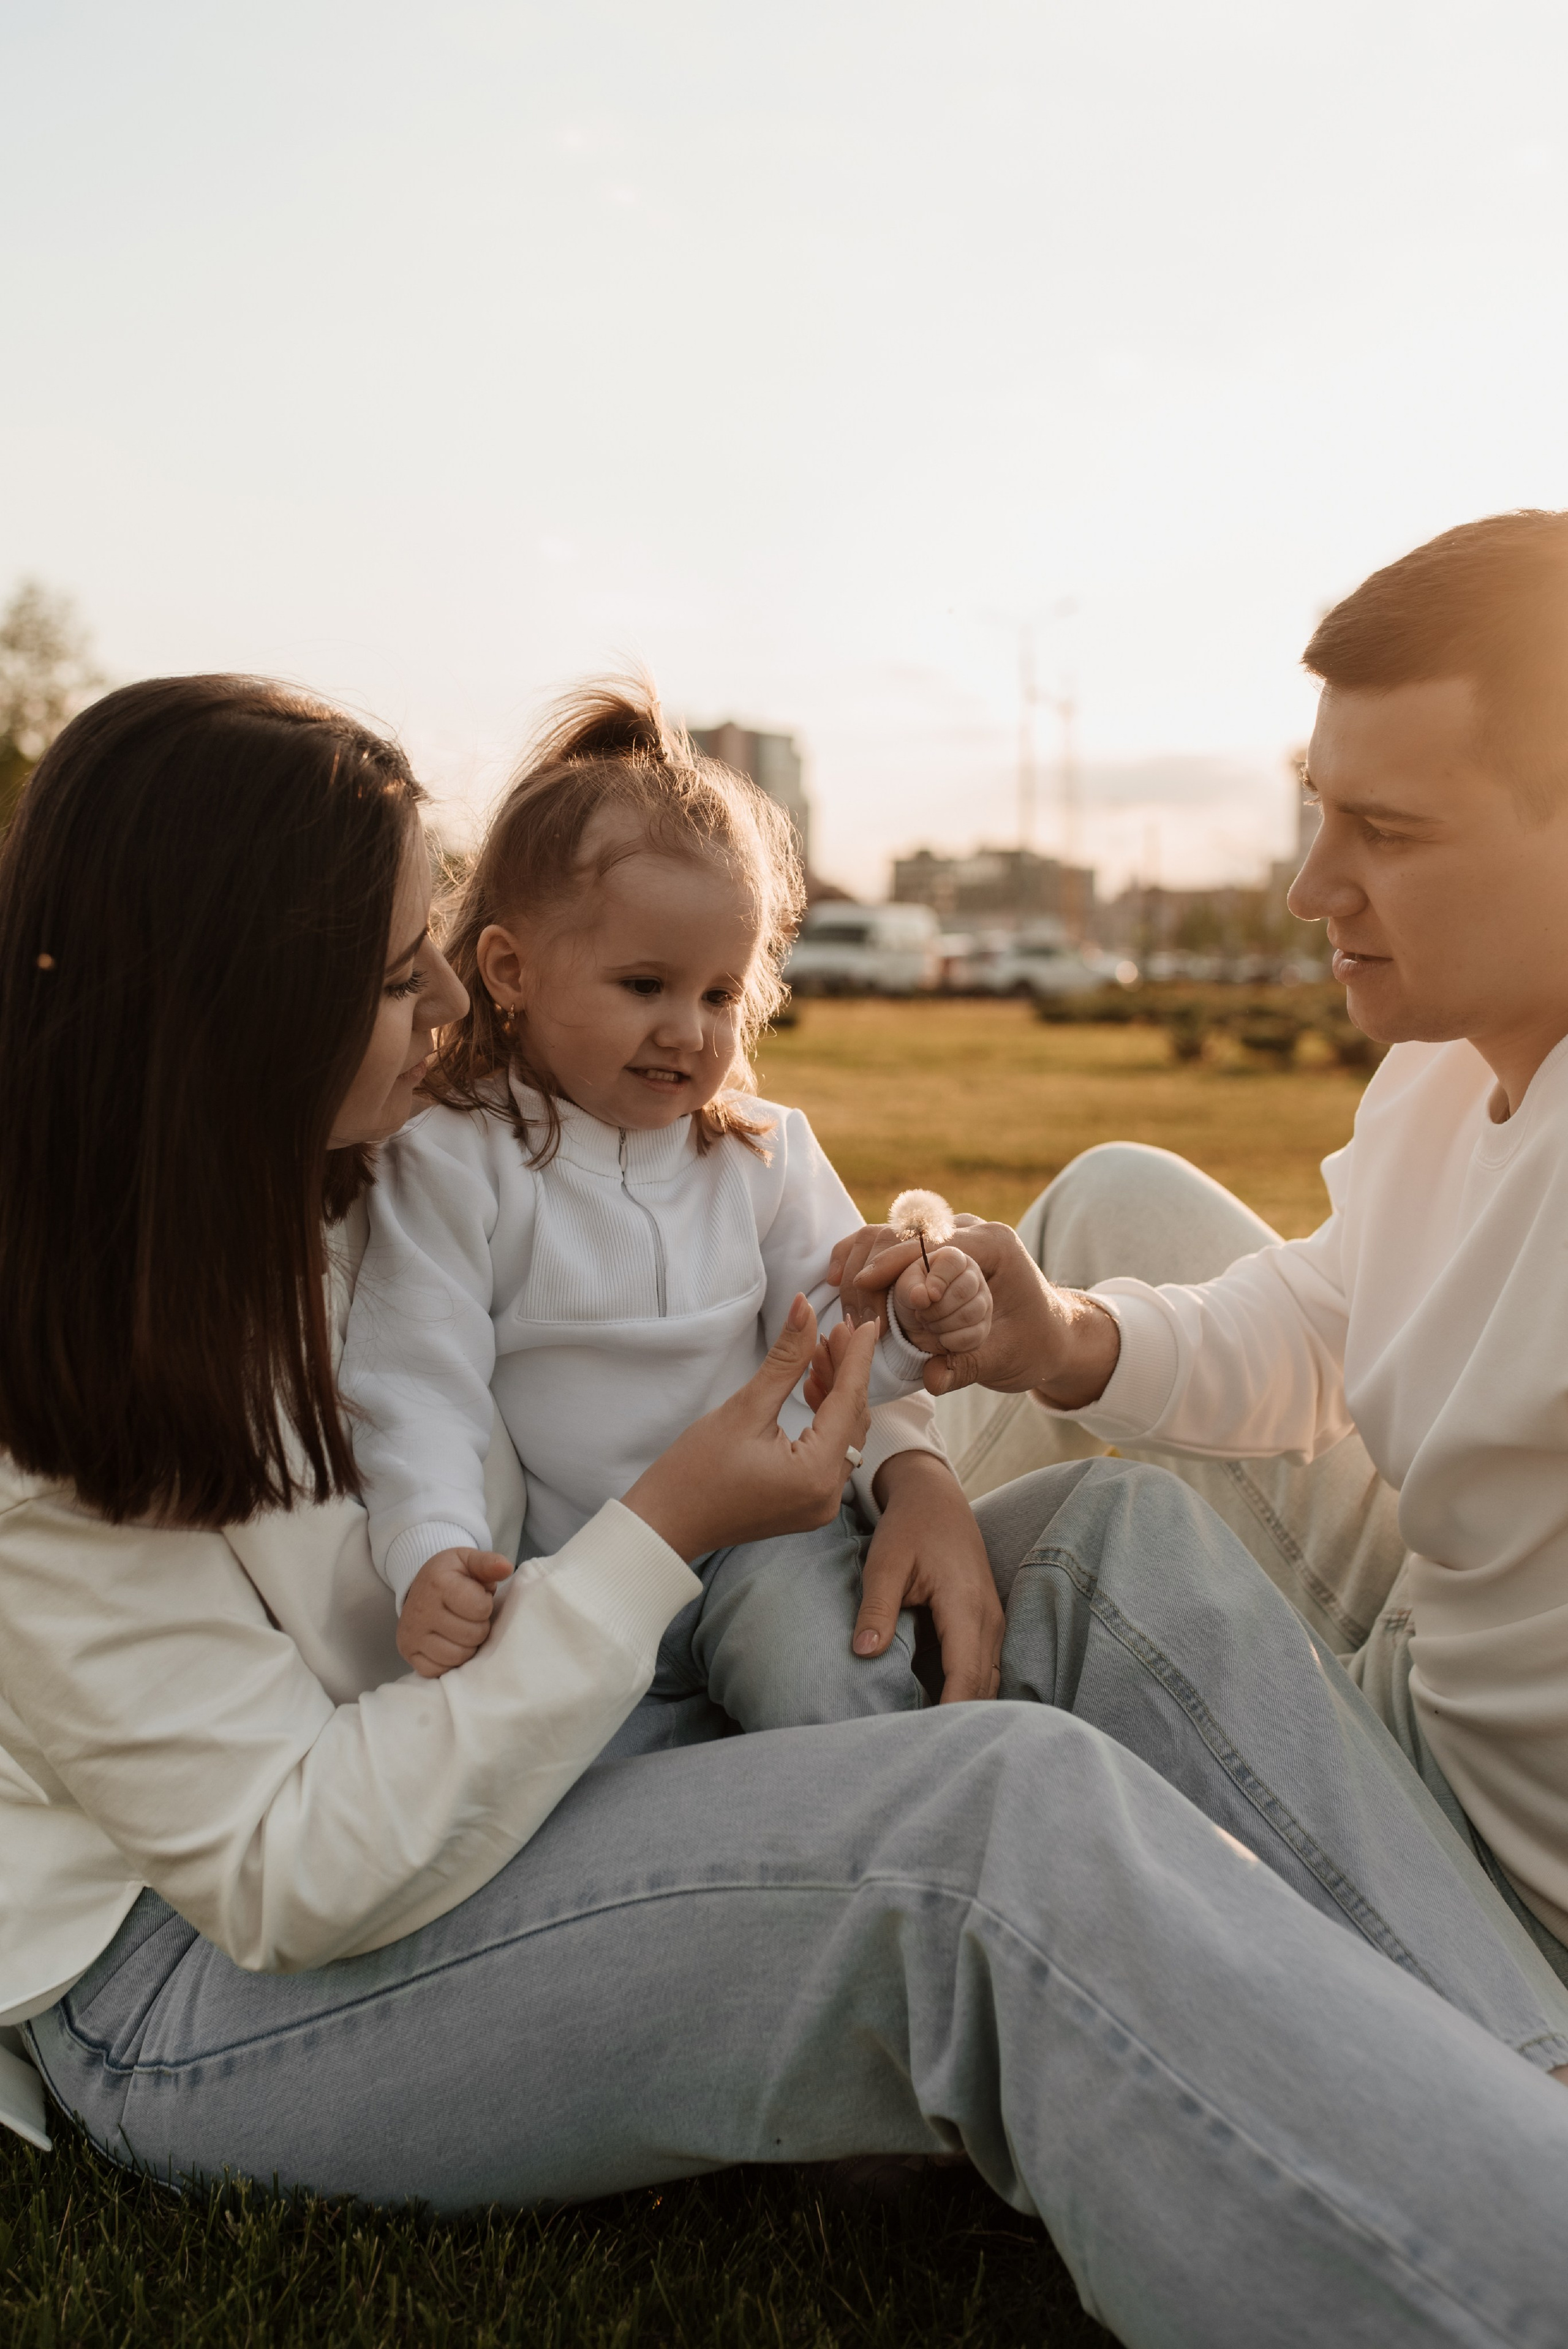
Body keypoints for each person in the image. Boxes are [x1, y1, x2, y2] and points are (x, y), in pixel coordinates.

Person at [4, 675, 1568, 2349]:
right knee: (981, 1824)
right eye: (400, 975)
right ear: (238, 1010)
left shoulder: (377, 1165)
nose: (460, 989)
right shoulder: (52, 1397)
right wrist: (668, 1524)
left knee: (1114, 1553)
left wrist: (914, 1471)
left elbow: (699, 1258)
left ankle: (1532, 2081)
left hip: (523, 1747)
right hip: (221, 1977)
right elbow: (291, 1872)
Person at [837, 507, 1568, 2025]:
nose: (1313, 887)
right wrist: (1060, 1340)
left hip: (1510, 1895)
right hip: (1431, 1671)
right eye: (1321, 808)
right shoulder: (1443, 1075)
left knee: (1103, 1551)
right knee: (1113, 1205)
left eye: (1391, 833)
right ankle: (850, 1635)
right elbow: (1317, 1328)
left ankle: (823, 1759)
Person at [339, 679, 992, 1723]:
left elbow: (836, 1341)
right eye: (645, 986)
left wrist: (913, 1318)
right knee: (540, 1769)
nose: (689, 1031)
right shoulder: (458, 1158)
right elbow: (418, 1387)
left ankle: (887, 1822)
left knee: (828, 1681)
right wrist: (434, 1551)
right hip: (580, 1573)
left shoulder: (762, 1154)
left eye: (720, 994)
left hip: (770, 1545)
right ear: (511, 969)